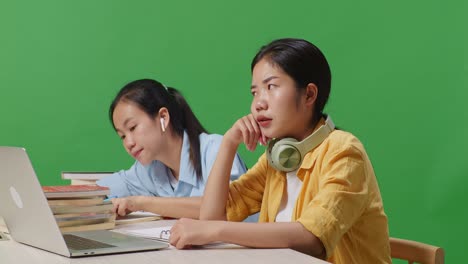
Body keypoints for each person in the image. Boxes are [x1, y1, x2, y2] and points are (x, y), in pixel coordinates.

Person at [168, 38, 391, 263]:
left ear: (309, 95)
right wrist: (228, 144)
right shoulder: (277, 159)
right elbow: (212, 216)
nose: (258, 104)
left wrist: (216, 231)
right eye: (255, 92)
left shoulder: (344, 152)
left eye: (271, 86)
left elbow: (312, 238)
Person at [97, 79, 247, 218]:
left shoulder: (217, 149)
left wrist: (141, 203)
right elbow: (97, 190)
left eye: (132, 127)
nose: (128, 143)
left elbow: (224, 208)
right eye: (122, 136)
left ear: (163, 117)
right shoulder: (148, 169)